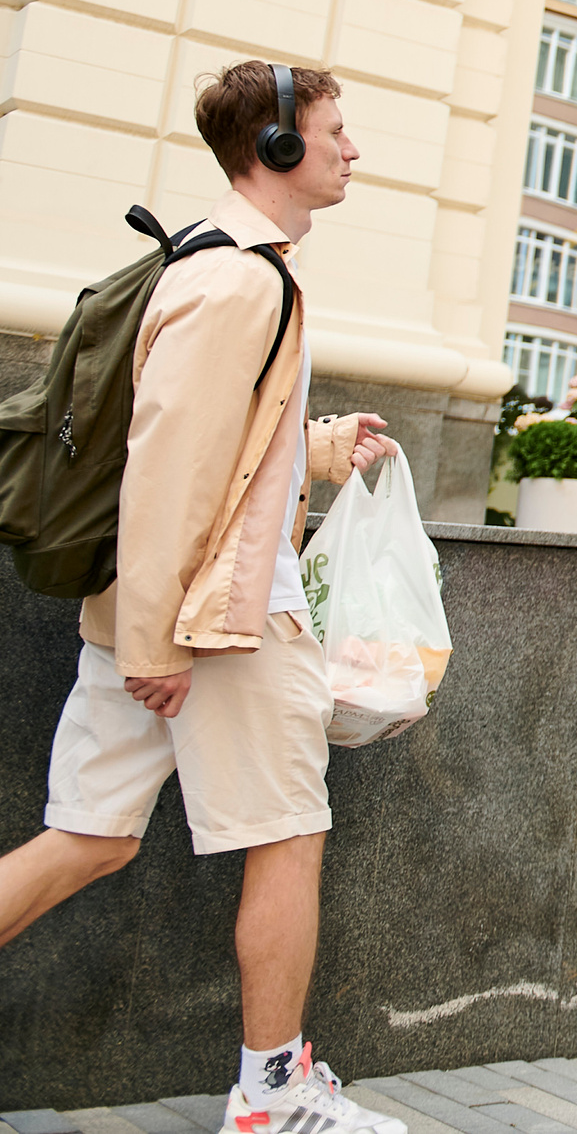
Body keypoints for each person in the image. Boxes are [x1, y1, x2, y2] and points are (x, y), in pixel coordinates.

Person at [0, 63, 401, 1132]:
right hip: (218, 626)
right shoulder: (240, 283)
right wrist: (157, 645)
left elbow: (224, 450)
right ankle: (271, 1096)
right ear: (275, 149)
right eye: (334, 132)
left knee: (91, 835)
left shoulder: (216, 263)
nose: (352, 150)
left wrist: (319, 448)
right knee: (286, 836)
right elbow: (168, 470)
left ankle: (272, 1090)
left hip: (165, 617)